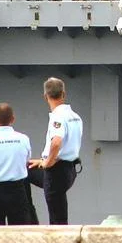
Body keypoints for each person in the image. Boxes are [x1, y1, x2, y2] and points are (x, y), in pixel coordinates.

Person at [28, 77, 83, 225]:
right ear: (63, 94)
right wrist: (42, 160)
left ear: (45, 97)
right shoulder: (75, 117)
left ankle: (28, 218)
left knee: (57, 220)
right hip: (69, 170)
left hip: (55, 172)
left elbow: (57, 142)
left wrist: (47, 162)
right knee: (25, 170)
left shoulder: (57, 117)